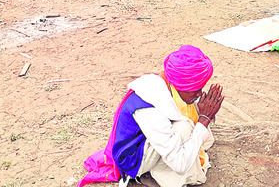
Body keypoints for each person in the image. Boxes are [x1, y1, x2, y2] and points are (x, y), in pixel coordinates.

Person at [78, 45, 224, 187]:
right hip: (132, 159)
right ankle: (153, 176)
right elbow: (180, 165)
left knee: (188, 122)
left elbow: (182, 112)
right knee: (183, 127)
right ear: (180, 86)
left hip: (149, 140)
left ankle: (161, 169)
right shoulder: (150, 107)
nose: (199, 94)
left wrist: (203, 112)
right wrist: (204, 119)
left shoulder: (170, 85)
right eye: (195, 89)